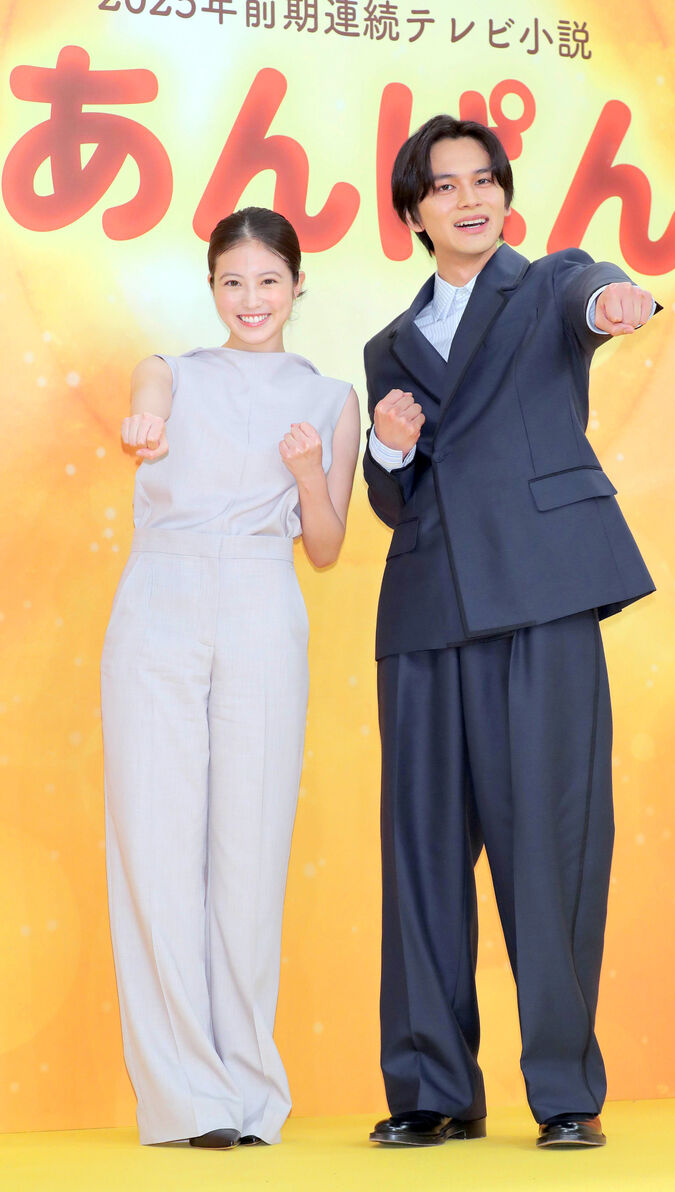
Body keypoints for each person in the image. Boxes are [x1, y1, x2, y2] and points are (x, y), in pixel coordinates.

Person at [362, 116, 657, 1150]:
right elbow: (392, 502)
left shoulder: (550, 284)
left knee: (554, 841)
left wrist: (619, 303)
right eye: (444, 186)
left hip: (541, 595)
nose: (469, 198)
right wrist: (386, 450)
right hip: (425, 613)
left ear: (504, 195)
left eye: (483, 180)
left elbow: (596, 293)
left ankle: (564, 1089)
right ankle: (432, 1088)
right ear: (413, 213)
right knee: (422, 854)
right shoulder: (387, 347)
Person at [101, 207, 360, 1149]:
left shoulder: (332, 398)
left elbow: (325, 546)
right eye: (232, 283)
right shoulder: (170, 371)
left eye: (268, 281)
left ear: (298, 285)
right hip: (160, 599)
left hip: (262, 600)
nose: (251, 300)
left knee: (250, 853)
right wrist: (145, 422)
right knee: (155, 846)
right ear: (211, 287)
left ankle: (249, 1090)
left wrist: (306, 476)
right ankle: (185, 1099)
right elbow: (147, 401)